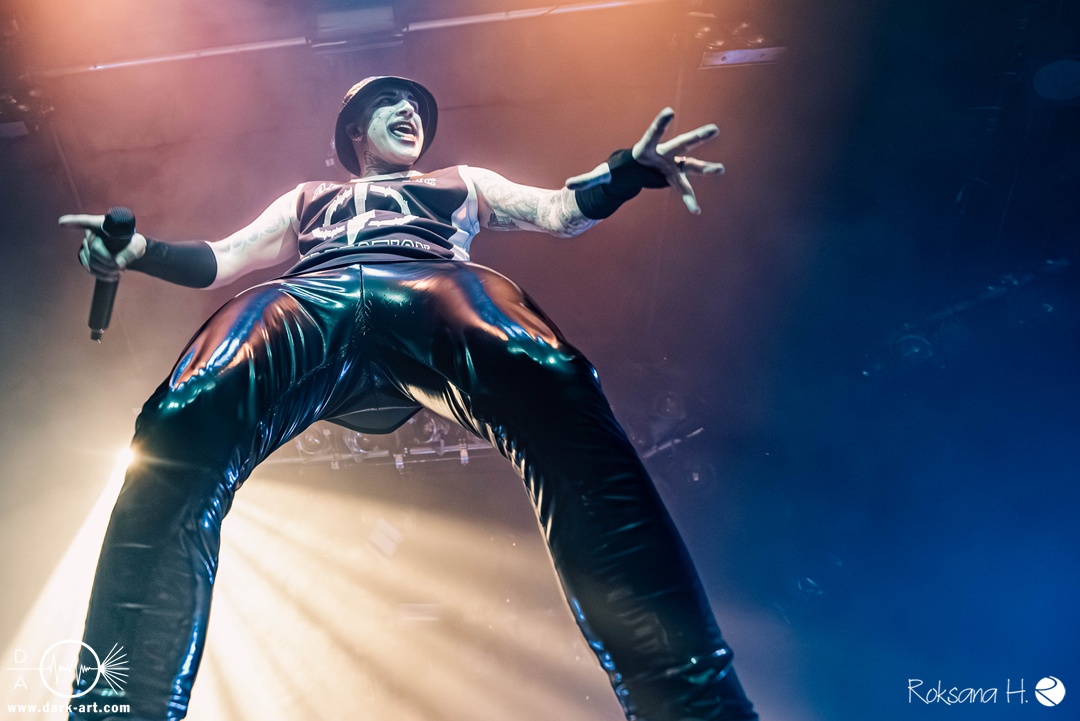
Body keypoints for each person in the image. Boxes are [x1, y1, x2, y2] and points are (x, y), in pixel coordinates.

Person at [60, 76, 757, 721]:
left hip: (429, 286)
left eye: (418, 107)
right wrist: (140, 252)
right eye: (391, 104)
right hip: (315, 296)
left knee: (548, 372)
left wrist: (625, 173)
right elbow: (221, 259)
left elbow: (560, 211)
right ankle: (116, 710)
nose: (411, 112)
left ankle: (694, 706)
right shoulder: (305, 199)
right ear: (354, 131)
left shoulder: (463, 182)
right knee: (183, 413)